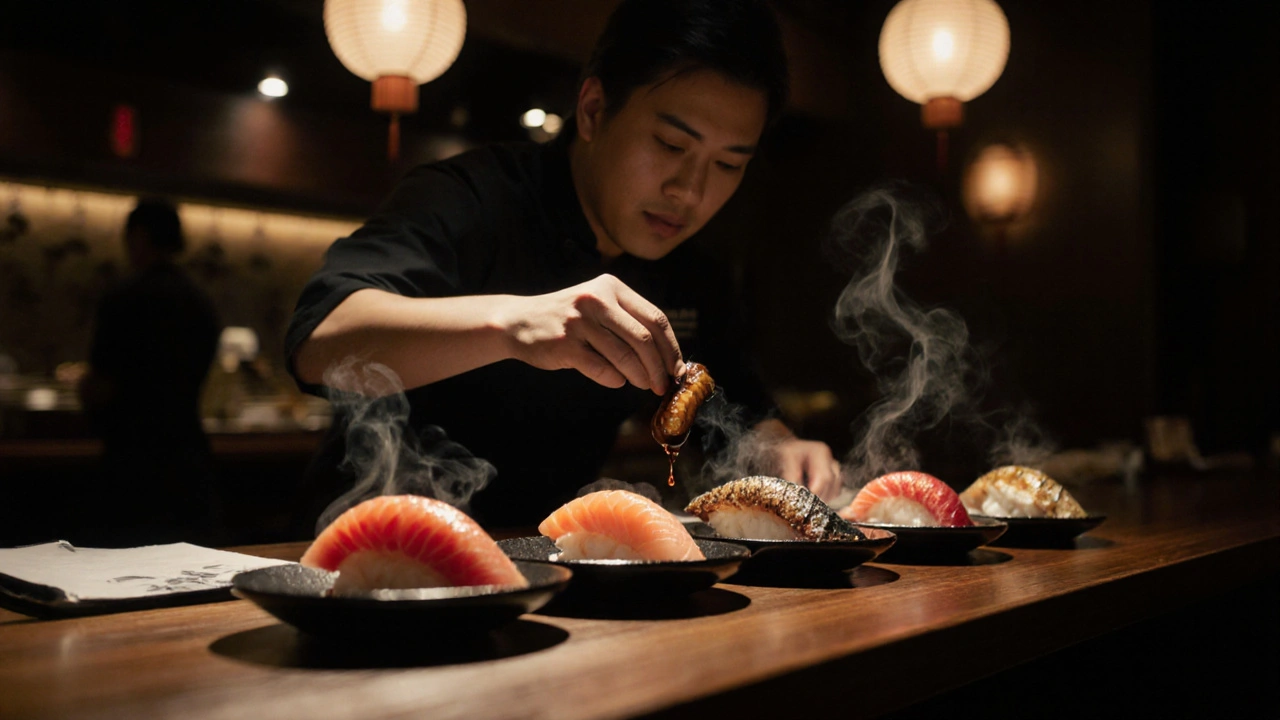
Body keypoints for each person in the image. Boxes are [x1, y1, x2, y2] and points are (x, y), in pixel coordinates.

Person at [286, 0, 842, 532]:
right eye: (672, 144)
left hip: (548, 564)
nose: (690, 191)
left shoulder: (691, 272)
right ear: (594, 110)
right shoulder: (472, 197)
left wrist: (781, 447)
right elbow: (319, 341)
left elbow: (737, 408)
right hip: (375, 550)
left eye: (726, 164)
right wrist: (514, 325)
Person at [78, 198, 222, 546]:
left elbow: (101, 385)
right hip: (189, 458)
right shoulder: (201, 302)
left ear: (139, 236)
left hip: (131, 463)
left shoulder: (125, 297)